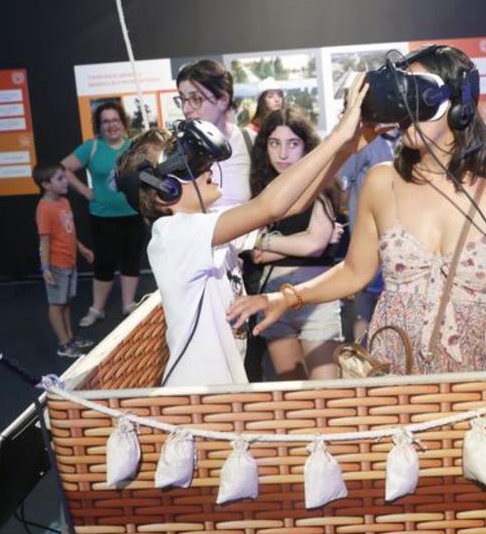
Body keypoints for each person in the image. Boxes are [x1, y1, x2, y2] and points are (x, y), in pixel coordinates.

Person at [228, 45, 486, 400]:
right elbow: (355, 272)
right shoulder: (382, 182)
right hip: (397, 369)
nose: (406, 113)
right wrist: (286, 298)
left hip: (479, 374)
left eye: (419, 98)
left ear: (459, 105)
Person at [115, 74, 374, 387]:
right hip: (196, 396)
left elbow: (293, 205)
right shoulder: (172, 234)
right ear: (164, 190)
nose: (208, 170)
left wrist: (346, 150)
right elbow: (270, 207)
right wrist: (336, 136)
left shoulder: (207, 224)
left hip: (222, 390)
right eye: (194, 169)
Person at [247, 109, 345, 380]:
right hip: (272, 297)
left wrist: (268, 242)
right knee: (292, 393)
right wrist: (298, 242)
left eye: (292, 144)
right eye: (274, 143)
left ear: (306, 147)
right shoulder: (260, 191)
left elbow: (313, 244)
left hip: (318, 298)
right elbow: (255, 255)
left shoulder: (321, 186)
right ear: (264, 146)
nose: (282, 154)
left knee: (326, 396)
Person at [62, 100, 145, 327]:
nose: (111, 125)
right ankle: (96, 309)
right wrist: (85, 191)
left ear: (123, 122)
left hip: (133, 214)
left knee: (131, 260)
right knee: (104, 263)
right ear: (99, 125)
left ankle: (128, 305)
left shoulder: (134, 146)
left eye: (115, 120)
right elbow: (64, 168)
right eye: (106, 121)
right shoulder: (92, 147)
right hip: (103, 216)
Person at [337, 127, 400, 341]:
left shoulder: (408, 141)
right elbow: (342, 188)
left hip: (400, 242)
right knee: (362, 306)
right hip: (368, 237)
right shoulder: (367, 142)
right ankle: (359, 361)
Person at [34, 164, 95, 357]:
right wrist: (45, 267)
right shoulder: (44, 209)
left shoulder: (64, 202)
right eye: (59, 178)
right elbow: (44, 240)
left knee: (66, 302)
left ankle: (70, 338)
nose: (65, 181)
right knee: (57, 305)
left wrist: (82, 248)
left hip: (70, 262)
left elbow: (68, 231)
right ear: (45, 184)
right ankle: (63, 345)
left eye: (64, 177)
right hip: (56, 265)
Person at [175, 60, 252, 207]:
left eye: (196, 99)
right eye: (183, 99)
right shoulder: (175, 151)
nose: (185, 109)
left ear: (223, 100)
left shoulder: (250, 141)